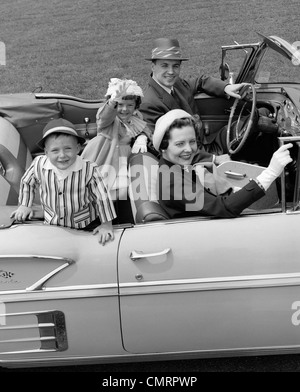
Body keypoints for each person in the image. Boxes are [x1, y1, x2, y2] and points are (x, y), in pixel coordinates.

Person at [153, 109, 292, 219]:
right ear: (164, 146)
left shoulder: (171, 167)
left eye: (192, 141)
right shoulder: (172, 183)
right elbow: (226, 208)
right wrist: (271, 172)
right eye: (180, 144)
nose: (189, 149)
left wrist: (236, 191)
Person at [139, 37, 246, 164]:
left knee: (257, 116)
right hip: (191, 159)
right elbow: (165, 148)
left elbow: (201, 81)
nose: (171, 72)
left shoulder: (177, 83)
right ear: (153, 66)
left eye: (176, 66)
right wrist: (213, 159)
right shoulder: (149, 103)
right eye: (165, 66)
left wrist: (226, 87)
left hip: (205, 143)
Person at [10, 119, 116, 245]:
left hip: (84, 222)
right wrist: (25, 205)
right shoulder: (39, 164)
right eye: (55, 150)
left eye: (68, 148)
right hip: (52, 220)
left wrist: (106, 224)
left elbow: (102, 197)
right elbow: (27, 182)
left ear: (78, 148)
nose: (62, 155)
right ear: (46, 152)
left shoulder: (89, 169)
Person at [81, 78, 151, 201]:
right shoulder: (109, 120)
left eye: (130, 105)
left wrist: (142, 137)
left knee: (126, 191)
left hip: (127, 157)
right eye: (120, 105)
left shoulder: (135, 117)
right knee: (106, 191)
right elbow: (104, 118)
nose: (124, 109)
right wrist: (113, 102)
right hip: (106, 156)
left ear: (136, 106)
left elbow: (145, 129)